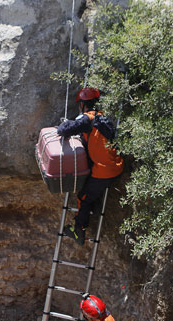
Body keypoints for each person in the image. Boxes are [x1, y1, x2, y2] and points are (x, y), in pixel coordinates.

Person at [57, 87, 124, 245]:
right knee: (90, 191)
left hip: (105, 170)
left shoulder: (88, 119)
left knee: (84, 198)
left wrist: (67, 125)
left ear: (82, 104)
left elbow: (63, 130)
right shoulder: (103, 118)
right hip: (115, 164)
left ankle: (79, 231)